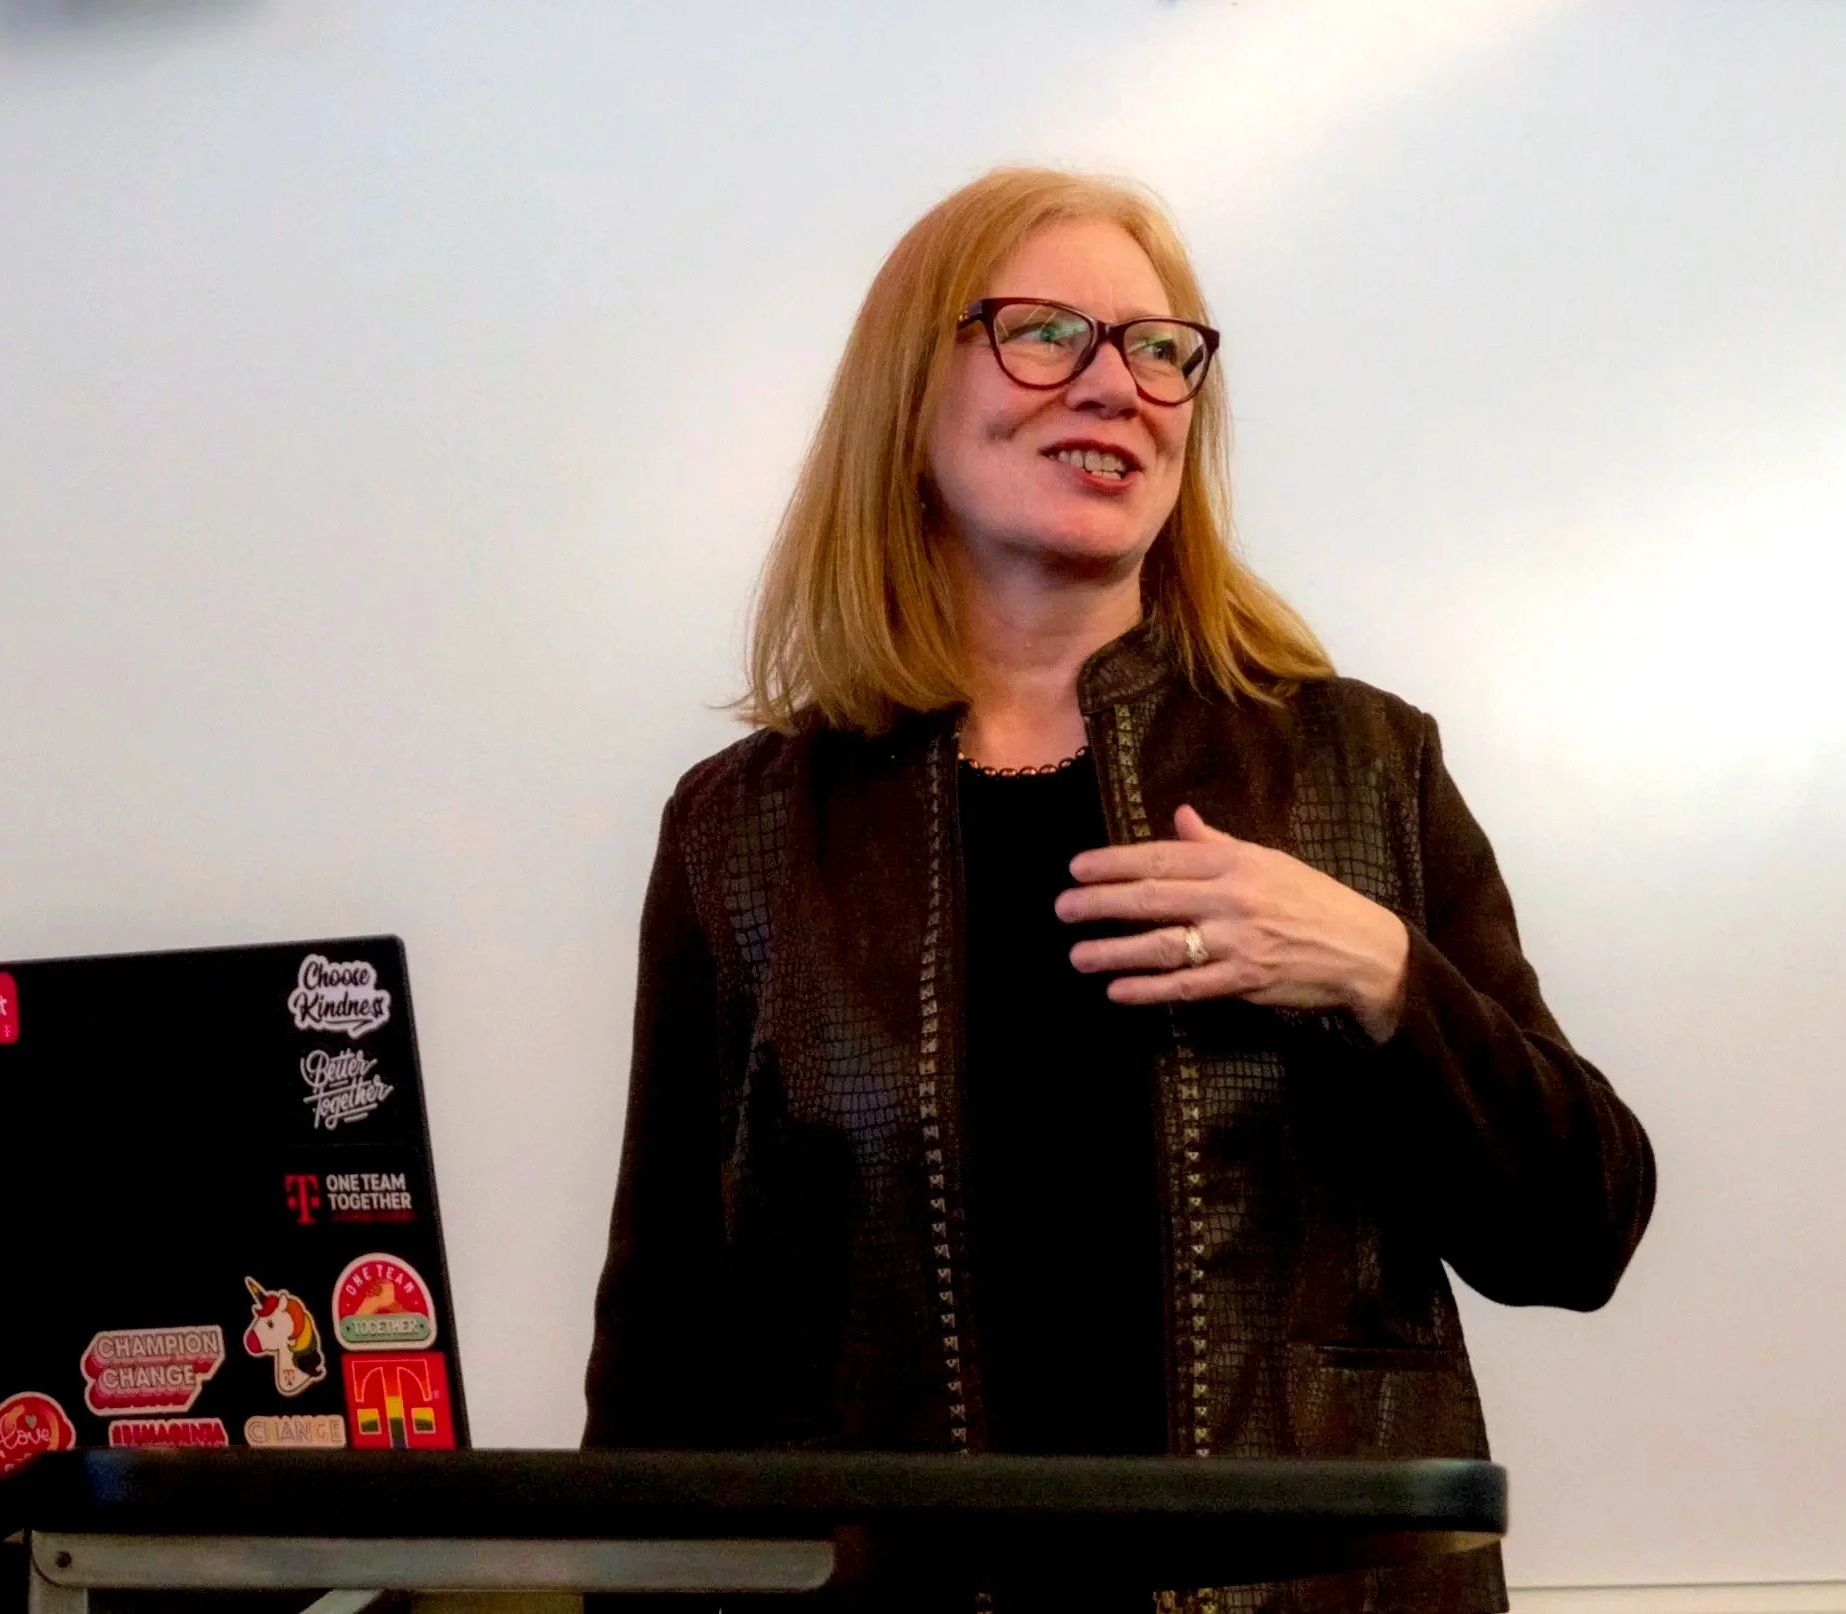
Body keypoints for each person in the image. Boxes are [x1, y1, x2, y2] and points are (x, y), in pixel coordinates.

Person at [583, 167, 1656, 1614]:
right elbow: (666, 1356)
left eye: (1157, 350)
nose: (1115, 384)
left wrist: (1385, 972)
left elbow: (1581, 1230)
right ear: (910, 396)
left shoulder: (1361, 764)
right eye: (1044, 332)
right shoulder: (743, 834)